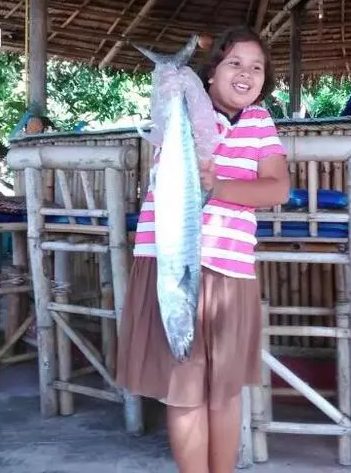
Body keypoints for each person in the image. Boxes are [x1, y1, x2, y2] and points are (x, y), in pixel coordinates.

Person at [115, 26, 290, 473]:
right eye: (234, 63)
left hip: (230, 272)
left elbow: (276, 189)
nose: (246, 74)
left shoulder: (260, 123)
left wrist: (220, 185)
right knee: (185, 391)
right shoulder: (184, 113)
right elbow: (161, 155)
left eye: (256, 67)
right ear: (210, 75)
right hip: (169, 263)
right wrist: (174, 89)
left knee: (224, 393)